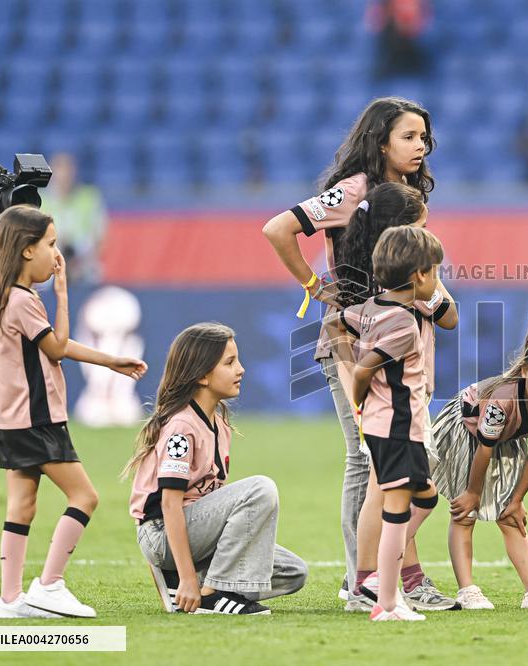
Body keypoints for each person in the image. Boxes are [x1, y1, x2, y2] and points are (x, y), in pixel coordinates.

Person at [261, 97, 444, 605]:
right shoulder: (352, 191)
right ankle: (362, 581)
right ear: (380, 139)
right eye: (408, 136)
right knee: (367, 460)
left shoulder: (407, 194)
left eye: (423, 138)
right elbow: (278, 228)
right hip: (351, 343)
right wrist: (315, 286)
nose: (420, 146)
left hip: (403, 338)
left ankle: (398, 579)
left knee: (395, 460)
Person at [0, 205, 147, 619]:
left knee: (21, 506)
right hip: (37, 420)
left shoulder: (9, 296)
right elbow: (55, 346)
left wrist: (109, 360)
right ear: (25, 250)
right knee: (85, 496)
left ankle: (10, 600)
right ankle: (50, 584)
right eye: (50, 244)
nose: (57, 254)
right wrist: (64, 293)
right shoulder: (24, 300)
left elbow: (51, 345)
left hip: (11, 419)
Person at [331, 184, 459, 612]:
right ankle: (383, 593)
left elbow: (337, 324)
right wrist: (360, 393)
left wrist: (359, 375)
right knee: (394, 510)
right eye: (435, 271)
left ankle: (381, 584)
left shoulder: (374, 305)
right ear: (420, 274)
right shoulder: (404, 321)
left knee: (423, 497)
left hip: (392, 421)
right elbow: (366, 366)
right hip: (399, 427)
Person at [125, 323, 307, 616]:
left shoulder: (220, 426)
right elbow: (170, 504)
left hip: (197, 532)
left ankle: (190, 585)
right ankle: (207, 593)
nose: (241, 370)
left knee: (293, 571)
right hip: (161, 534)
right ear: (202, 375)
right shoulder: (182, 428)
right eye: (230, 362)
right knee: (260, 488)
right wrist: (187, 575)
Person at [429, 334, 528, 610]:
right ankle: (467, 590)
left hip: (506, 436)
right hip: (467, 429)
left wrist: (516, 499)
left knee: (511, 515)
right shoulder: (501, 401)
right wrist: (472, 492)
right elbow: (484, 448)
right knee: (466, 512)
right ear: (525, 368)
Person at [38, 152, 108, 284]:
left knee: (94, 273)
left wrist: (81, 261)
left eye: (67, 171)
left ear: (73, 172)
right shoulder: (40, 200)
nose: (64, 177)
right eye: (59, 171)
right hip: (51, 262)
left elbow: (99, 237)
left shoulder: (89, 197)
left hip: (83, 262)